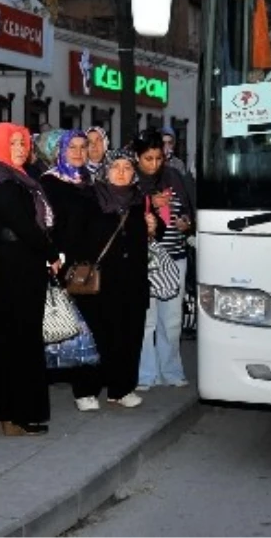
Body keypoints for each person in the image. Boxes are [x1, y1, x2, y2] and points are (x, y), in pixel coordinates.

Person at [0, 123, 63, 437]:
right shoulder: (0, 181)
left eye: (23, 142)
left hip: (22, 262)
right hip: (14, 264)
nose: (20, 148)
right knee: (15, 338)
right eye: (12, 143)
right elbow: (25, 225)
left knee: (19, 338)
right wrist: (52, 251)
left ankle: (13, 411)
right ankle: (13, 412)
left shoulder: (16, 178)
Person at [64, 150, 153, 410]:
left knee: (128, 335)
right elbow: (74, 237)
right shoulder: (89, 199)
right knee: (93, 335)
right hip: (97, 282)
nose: (122, 172)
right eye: (116, 167)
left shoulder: (138, 201)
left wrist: (152, 225)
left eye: (127, 167)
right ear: (105, 169)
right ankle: (85, 391)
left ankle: (121, 388)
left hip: (131, 281)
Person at [134, 130, 192, 389]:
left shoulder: (175, 178)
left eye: (158, 158)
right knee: (146, 320)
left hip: (175, 256)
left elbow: (188, 211)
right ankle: (146, 374)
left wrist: (185, 223)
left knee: (171, 319)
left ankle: (171, 370)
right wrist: (149, 203)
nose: (154, 164)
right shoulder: (131, 180)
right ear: (138, 157)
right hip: (145, 259)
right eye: (148, 158)